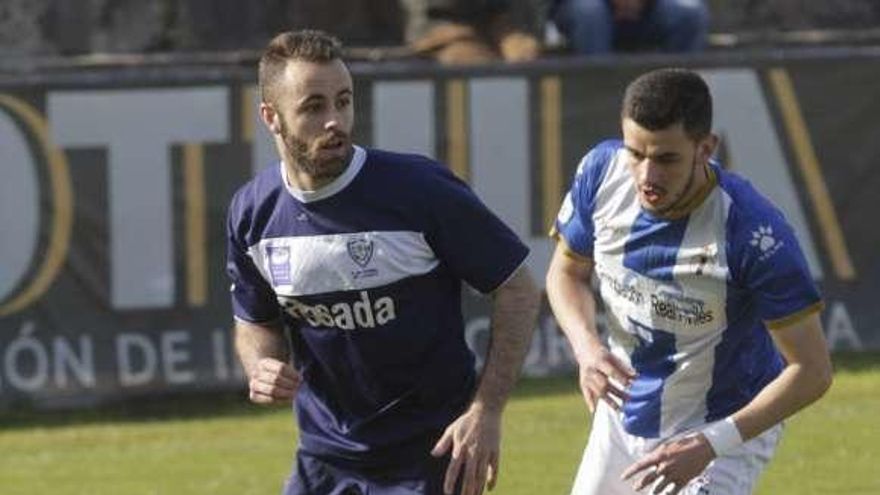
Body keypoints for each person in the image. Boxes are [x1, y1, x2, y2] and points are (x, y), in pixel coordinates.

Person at [226, 29, 540, 495]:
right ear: (271, 118)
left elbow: (518, 288)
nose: (335, 120)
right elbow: (254, 321)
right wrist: (260, 365)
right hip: (324, 459)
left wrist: (486, 410)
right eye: (314, 107)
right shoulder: (253, 212)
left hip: (432, 455)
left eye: (344, 101)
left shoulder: (419, 190)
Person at [545, 68, 832, 494]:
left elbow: (813, 371)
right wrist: (587, 349)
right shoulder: (602, 173)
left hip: (722, 427)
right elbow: (564, 274)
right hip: (623, 414)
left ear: (705, 148)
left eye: (666, 159)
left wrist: (712, 442)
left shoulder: (753, 233)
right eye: (635, 153)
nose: (646, 176)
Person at [550, 0, 709, 55]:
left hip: (649, 8)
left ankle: (678, 99)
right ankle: (598, 97)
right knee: (590, 12)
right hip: (588, 8)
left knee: (690, 11)